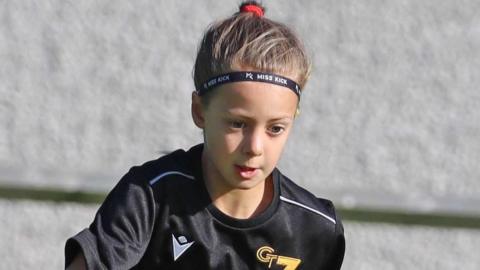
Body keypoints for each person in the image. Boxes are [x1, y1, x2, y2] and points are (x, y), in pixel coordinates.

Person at [65, 1, 345, 269]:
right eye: (237, 124)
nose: (255, 147)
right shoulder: (149, 197)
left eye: (275, 128)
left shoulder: (317, 229)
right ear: (199, 111)